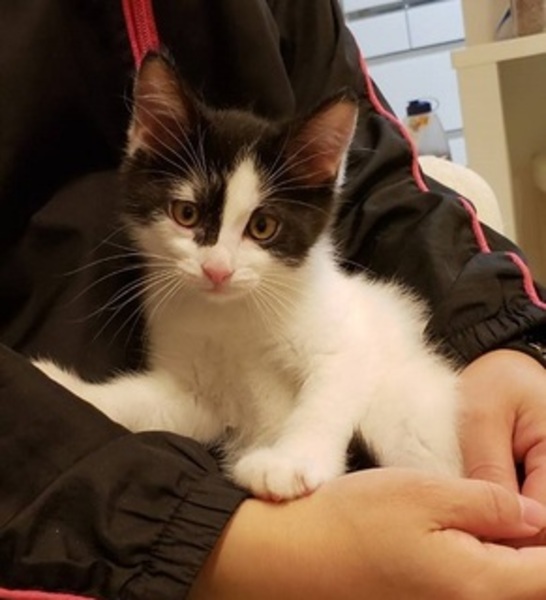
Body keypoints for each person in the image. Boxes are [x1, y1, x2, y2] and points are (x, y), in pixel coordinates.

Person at [2, 1, 546, 598]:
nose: (217, 265)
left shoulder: (308, 294)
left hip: (383, 453)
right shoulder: (170, 295)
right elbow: (195, 399)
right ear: (143, 146)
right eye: (187, 215)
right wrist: (79, 406)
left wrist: (508, 340)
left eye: (259, 228)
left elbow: (345, 356)